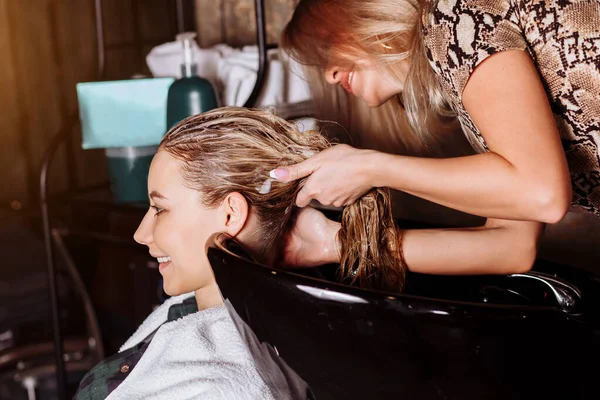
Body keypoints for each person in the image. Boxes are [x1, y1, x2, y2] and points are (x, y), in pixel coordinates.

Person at [74, 106, 406, 399]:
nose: (140, 234)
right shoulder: (205, 320)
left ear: (230, 215)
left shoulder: (221, 387)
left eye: (159, 209)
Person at [275, 0, 600, 274]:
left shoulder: (454, 14)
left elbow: (542, 194)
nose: (330, 75)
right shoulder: (466, 56)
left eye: (328, 48)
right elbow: (512, 245)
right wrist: (335, 243)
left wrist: (371, 168)